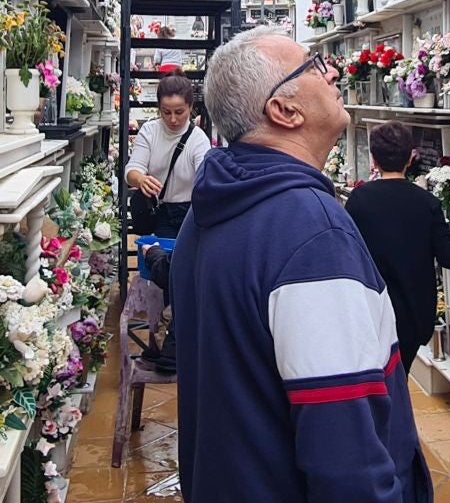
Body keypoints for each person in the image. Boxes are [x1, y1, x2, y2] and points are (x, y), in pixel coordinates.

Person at [174, 26, 429, 503]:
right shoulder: (311, 234)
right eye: (313, 65)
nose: (331, 71)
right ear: (284, 110)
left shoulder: (208, 209)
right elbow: (345, 448)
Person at [345, 122, 450, 373]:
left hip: (372, 308)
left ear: (374, 159)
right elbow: (449, 259)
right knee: (400, 376)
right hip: (415, 313)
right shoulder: (427, 203)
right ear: (410, 158)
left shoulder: (358, 200)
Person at [125, 75, 211, 239]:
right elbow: (132, 170)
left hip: (192, 213)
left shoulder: (199, 139)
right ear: (159, 108)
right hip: (162, 210)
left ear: (190, 107)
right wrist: (141, 180)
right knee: (165, 260)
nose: (173, 119)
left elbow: (205, 179)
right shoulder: (150, 131)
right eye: (166, 112)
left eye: (179, 112)